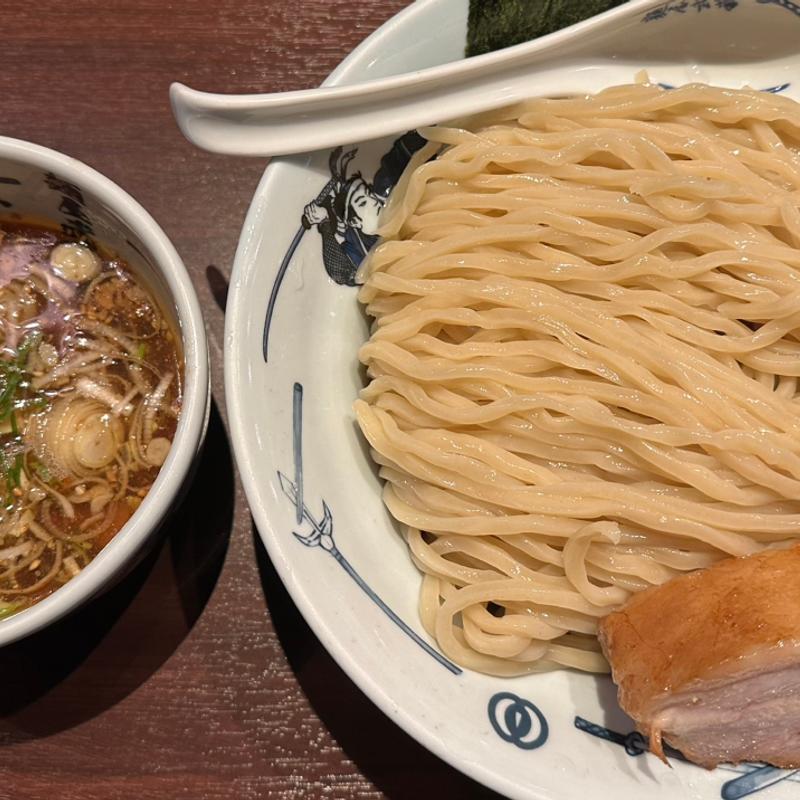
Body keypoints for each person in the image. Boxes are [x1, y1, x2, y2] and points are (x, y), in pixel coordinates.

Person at [302, 131, 426, 286]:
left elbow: (398, 157)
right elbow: (342, 272)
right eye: (362, 202)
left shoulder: (386, 191)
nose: (372, 200)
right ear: (353, 221)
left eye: (368, 192)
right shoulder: (356, 247)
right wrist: (325, 225)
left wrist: (421, 133)